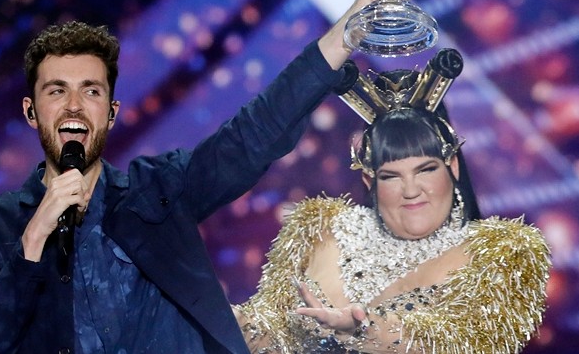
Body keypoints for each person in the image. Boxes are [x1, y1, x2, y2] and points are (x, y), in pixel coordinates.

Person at [0, 0, 415, 354]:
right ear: (32, 112)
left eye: (90, 91)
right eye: (57, 91)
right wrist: (34, 238)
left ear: (110, 113)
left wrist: (356, 20)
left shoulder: (159, 189)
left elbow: (253, 134)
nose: (74, 105)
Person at [233, 50, 552, 354]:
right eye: (391, 176)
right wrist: (214, 318)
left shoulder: (502, 252)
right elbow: (269, 332)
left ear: (452, 165)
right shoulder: (318, 230)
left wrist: (360, 329)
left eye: (426, 170)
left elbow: (465, 339)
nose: (411, 189)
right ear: (370, 181)